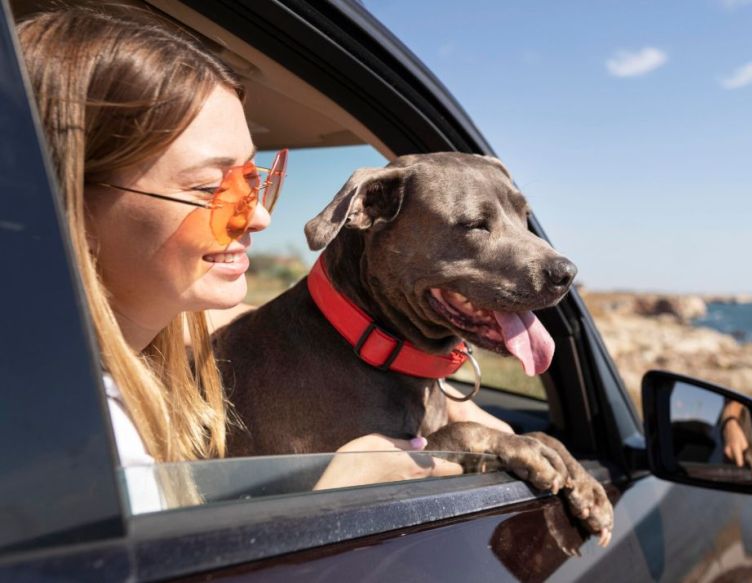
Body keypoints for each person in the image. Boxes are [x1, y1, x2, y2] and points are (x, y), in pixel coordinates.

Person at [16, 5, 470, 504]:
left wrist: (450, 391)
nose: (257, 218)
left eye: (253, 182)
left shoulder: (125, 357)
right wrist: (334, 500)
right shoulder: (82, 438)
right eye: (212, 187)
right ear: (65, 203)